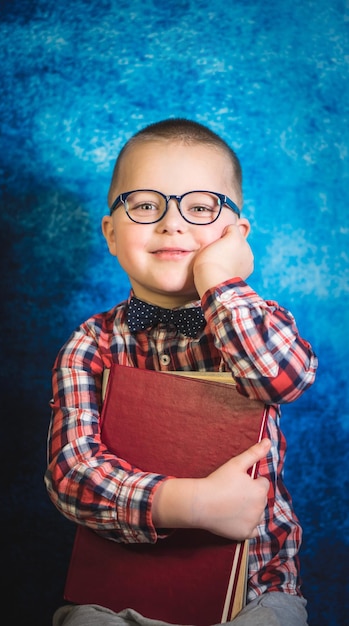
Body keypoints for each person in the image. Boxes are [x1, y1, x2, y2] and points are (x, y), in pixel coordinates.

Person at [45, 118, 318, 626]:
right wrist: (190, 503)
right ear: (110, 232)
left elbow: (283, 379)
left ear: (236, 234)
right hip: (115, 594)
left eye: (199, 208)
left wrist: (218, 278)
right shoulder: (90, 344)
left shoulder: (260, 322)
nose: (172, 224)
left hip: (255, 593)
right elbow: (71, 475)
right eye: (146, 205)